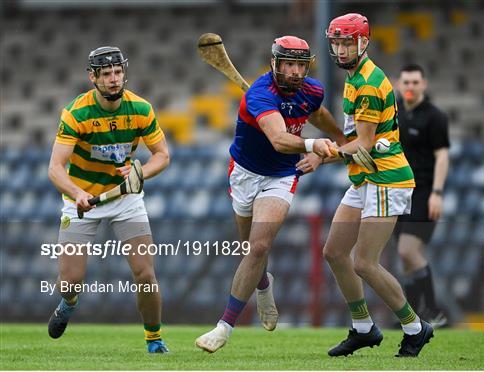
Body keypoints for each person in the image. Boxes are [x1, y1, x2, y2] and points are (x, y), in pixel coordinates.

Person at [195, 36, 347, 353]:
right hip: (244, 174)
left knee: (259, 245)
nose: (294, 72)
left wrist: (325, 151)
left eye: (300, 65)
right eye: (288, 64)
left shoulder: (312, 91)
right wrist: (311, 144)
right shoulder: (260, 94)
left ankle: (224, 327)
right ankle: (263, 285)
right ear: (275, 64)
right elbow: (278, 139)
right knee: (249, 251)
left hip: (280, 176)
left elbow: (327, 126)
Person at [323, 13, 434, 358]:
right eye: (336, 42)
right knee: (334, 252)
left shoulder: (368, 82)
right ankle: (363, 328)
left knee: (364, 262)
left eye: (347, 42)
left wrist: (319, 155)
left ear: (364, 43)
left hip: (386, 178)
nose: (341, 50)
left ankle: (415, 328)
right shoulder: (354, 77)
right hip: (364, 177)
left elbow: (365, 144)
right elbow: (356, 142)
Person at [47, 46, 170, 353]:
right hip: (82, 200)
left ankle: (154, 339)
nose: (115, 80)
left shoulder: (140, 109)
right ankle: (69, 302)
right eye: (107, 74)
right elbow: (55, 168)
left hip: (126, 198)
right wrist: (77, 193)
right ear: (93, 77)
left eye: (118, 73)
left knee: (145, 273)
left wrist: (140, 172)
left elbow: (162, 156)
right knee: (70, 282)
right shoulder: (76, 113)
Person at [395, 64, 450, 327]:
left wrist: (437, 193)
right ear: (398, 84)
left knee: (408, 251)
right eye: (406, 82)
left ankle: (434, 311)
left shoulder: (434, 117)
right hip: (397, 191)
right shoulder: (394, 112)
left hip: (423, 192)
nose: (410, 87)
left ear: (424, 85)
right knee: (406, 259)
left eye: (415, 82)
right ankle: (413, 320)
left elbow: (442, 155)